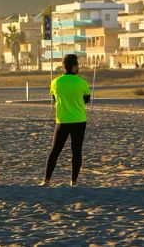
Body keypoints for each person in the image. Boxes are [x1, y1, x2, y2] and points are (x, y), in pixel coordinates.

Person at [41, 54, 91, 187]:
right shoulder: (82, 83)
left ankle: (46, 180)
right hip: (79, 120)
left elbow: (54, 98)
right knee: (76, 151)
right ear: (74, 67)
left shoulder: (55, 82)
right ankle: (73, 182)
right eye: (78, 65)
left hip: (62, 120)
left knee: (55, 151)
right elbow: (87, 99)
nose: (78, 67)